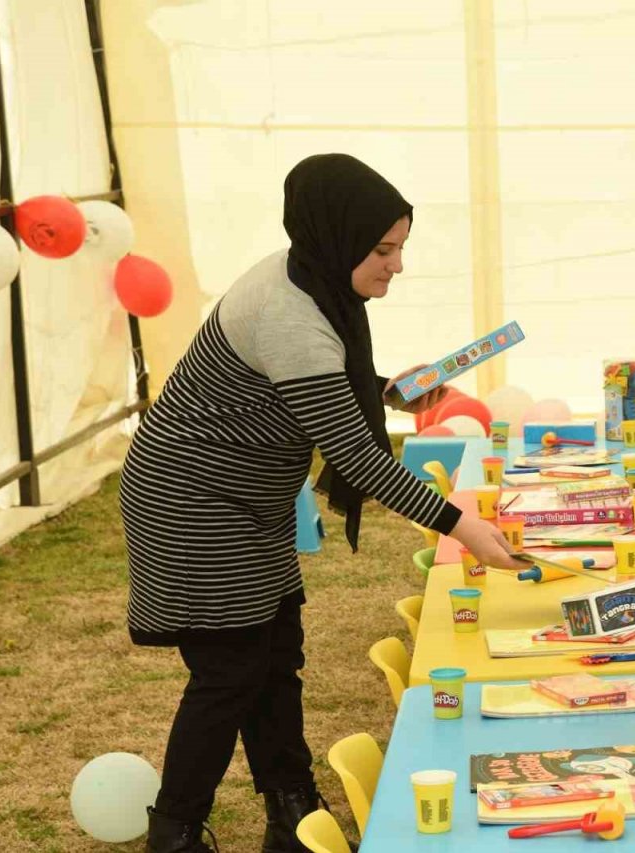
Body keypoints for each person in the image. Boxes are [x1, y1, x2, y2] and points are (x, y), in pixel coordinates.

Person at [120, 153, 519, 853]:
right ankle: (175, 831)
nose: (395, 265)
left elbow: (326, 384)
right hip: (192, 497)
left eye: (400, 247)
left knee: (277, 651)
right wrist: (463, 526)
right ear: (338, 237)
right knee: (230, 668)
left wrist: (389, 386)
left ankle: (293, 813)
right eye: (383, 249)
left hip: (245, 495)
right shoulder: (290, 315)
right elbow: (361, 459)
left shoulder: (309, 277)